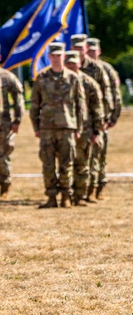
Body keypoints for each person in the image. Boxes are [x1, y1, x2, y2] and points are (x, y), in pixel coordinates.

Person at [30, 43, 86, 208]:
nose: (56, 58)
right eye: (53, 55)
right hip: (46, 128)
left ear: (63, 56)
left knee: (66, 163)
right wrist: (36, 128)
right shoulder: (41, 78)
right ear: (49, 57)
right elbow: (34, 105)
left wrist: (79, 128)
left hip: (67, 126)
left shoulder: (73, 78)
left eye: (59, 55)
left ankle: (66, 196)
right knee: (47, 164)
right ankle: (51, 197)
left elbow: (80, 105)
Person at [71, 34, 111, 202]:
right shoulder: (68, 66)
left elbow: (106, 96)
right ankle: (75, 192)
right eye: (76, 47)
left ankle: (91, 191)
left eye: (81, 47)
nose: (78, 50)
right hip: (71, 121)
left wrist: (104, 120)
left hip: (91, 121)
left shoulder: (96, 69)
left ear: (85, 48)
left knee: (94, 157)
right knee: (73, 159)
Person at [64, 50, 104, 206]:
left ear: (79, 64)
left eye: (74, 63)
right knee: (65, 164)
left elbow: (97, 109)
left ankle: (80, 196)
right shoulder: (60, 81)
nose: (72, 66)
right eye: (69, 63)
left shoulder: (88, 83)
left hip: (86, 131)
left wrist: (97, 131)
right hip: (65, 128)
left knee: (82, 165)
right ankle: (66, 195)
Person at [86, 38, 121, 200]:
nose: (92, 53)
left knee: (100, 156)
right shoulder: (80, 68)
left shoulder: (107, 70)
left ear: (99, 51)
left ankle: (99, 186)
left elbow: (114, 95)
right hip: (85, 121)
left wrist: (113, 117)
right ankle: (85, 188)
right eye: (89, 50)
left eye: (94, 50)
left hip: (103, 121)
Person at [0, 64, 25, 201]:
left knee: (3, 156)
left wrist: (17, 119)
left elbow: (18, 97)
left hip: (3, 124)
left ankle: (5, 184)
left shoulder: (6, 76)